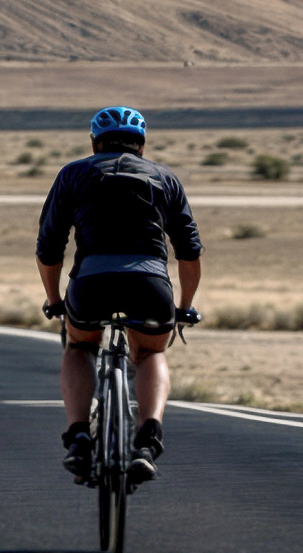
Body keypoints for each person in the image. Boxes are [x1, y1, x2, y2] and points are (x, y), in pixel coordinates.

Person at [36, 105, 201, 486]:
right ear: (141, 147)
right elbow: (189, 252)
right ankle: (148, 439)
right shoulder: (166, 178)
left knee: (79, 348)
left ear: (94, 143)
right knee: (152, 352)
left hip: (91, 283)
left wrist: (54, 299)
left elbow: (48, 248)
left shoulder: (74, 174)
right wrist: (184, 308)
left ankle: (79, 436)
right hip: (150, 285)